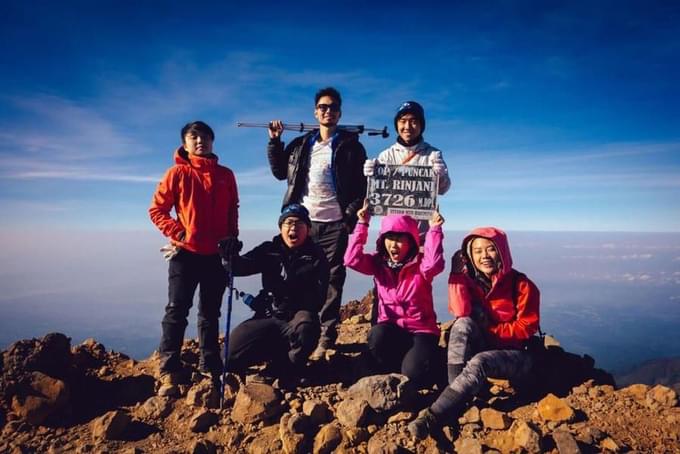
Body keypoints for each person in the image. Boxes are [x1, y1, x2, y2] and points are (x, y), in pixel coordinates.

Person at [408, 227, 540, 439]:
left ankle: (433, 416)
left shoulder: (522, 285)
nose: (484, 256)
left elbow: (527, 327)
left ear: (502, 252)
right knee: (461, 325)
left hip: (516, 354)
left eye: (490, 249)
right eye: (477, 251)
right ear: (469, 256)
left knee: (479, 361)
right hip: (485, 343)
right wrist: (456, 275)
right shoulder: (470, 281)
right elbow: (460, 312)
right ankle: (456, 396)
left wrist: (492, 330)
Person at [267, 87, 367, 359]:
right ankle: (299, 333)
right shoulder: (302, 144)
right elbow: (279, 173)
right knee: (299, 276)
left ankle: (326, 336)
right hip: (303, 222)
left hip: (335, 222)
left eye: (333, 107)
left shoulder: (351, 146)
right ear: (315, 111)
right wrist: (275, 142)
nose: (328, 111)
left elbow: (362, 187)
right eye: (323, 107)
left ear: (339, 112)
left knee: (333, 278)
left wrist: (349, 216)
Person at [149, 121, 239, 384]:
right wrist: (177, 233)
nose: (200, 141)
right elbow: (157, 210)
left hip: (217, 254)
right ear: (185, 144)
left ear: (212, 141)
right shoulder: (176, 173)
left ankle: (209, 361)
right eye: (194, 137)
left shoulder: (226, 175)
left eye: (205, 137)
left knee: (210, 312)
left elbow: (233, 208)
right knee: (177, 309)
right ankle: (169, 364)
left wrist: (232, 237)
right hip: (185, 254)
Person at [344, 201, 445, 388]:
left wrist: (435, 230)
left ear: (411, 241)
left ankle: (430, 358)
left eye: (400, 239)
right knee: (377, 336)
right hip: (392, 329)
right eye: (389, 238)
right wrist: (362, 224)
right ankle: (399, 363)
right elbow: (351, 259)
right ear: (383, 240)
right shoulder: (378, 263)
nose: (394, 244)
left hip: (421, 331)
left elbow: (434, 264)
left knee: (415, 376)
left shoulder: (421, 265)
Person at [226, 204, 329, 385]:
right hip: (269, 314)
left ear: (308, 229)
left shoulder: (316, 256)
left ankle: (285, 369)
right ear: (281, 227)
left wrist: (292, 295)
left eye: (299, 224)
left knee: (307, 327)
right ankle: (274, 354)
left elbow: (319, 299)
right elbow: (239, 267)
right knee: (229, 356)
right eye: (288, 223)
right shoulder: (269, 250)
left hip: (296, 318)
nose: (293, 228)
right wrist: (229, 255)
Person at [363, 101, 451, 238]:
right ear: (397, 124)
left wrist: (441, 176)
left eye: (413, 121)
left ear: (421, 125)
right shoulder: (386, 155)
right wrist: (370, 177)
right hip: (392, 237)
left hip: (421, 236)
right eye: (402, 121)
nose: (407, 126)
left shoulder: (433, 154)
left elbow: (443, 189)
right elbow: (376, 195)